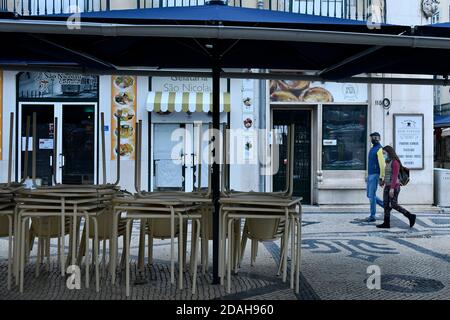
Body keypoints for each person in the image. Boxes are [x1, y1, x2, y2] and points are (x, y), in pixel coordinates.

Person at [377, 146, 416, 229]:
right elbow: (388, 174)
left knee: (394, 204)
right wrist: (383, 182)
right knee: (386, 205)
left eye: (384, 153)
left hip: (394, 187)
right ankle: (386, 223)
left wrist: (392, 188)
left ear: (389, 152)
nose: (383, 155)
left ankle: (410, 216)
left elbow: (395, 176)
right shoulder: (388, 161)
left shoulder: (395, 162)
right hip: (387, 186)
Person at [365, 132, 385, 222]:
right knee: (369, 195)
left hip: (375, 174)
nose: (374, 139)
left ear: (379, 138)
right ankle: (386, 206)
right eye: (373, 137)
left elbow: (382, 164)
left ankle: (372, 216)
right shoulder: (372, 148)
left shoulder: (380, 149)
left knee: (371, 195)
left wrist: (382, 177)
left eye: (376, 137)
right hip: (370, 174)